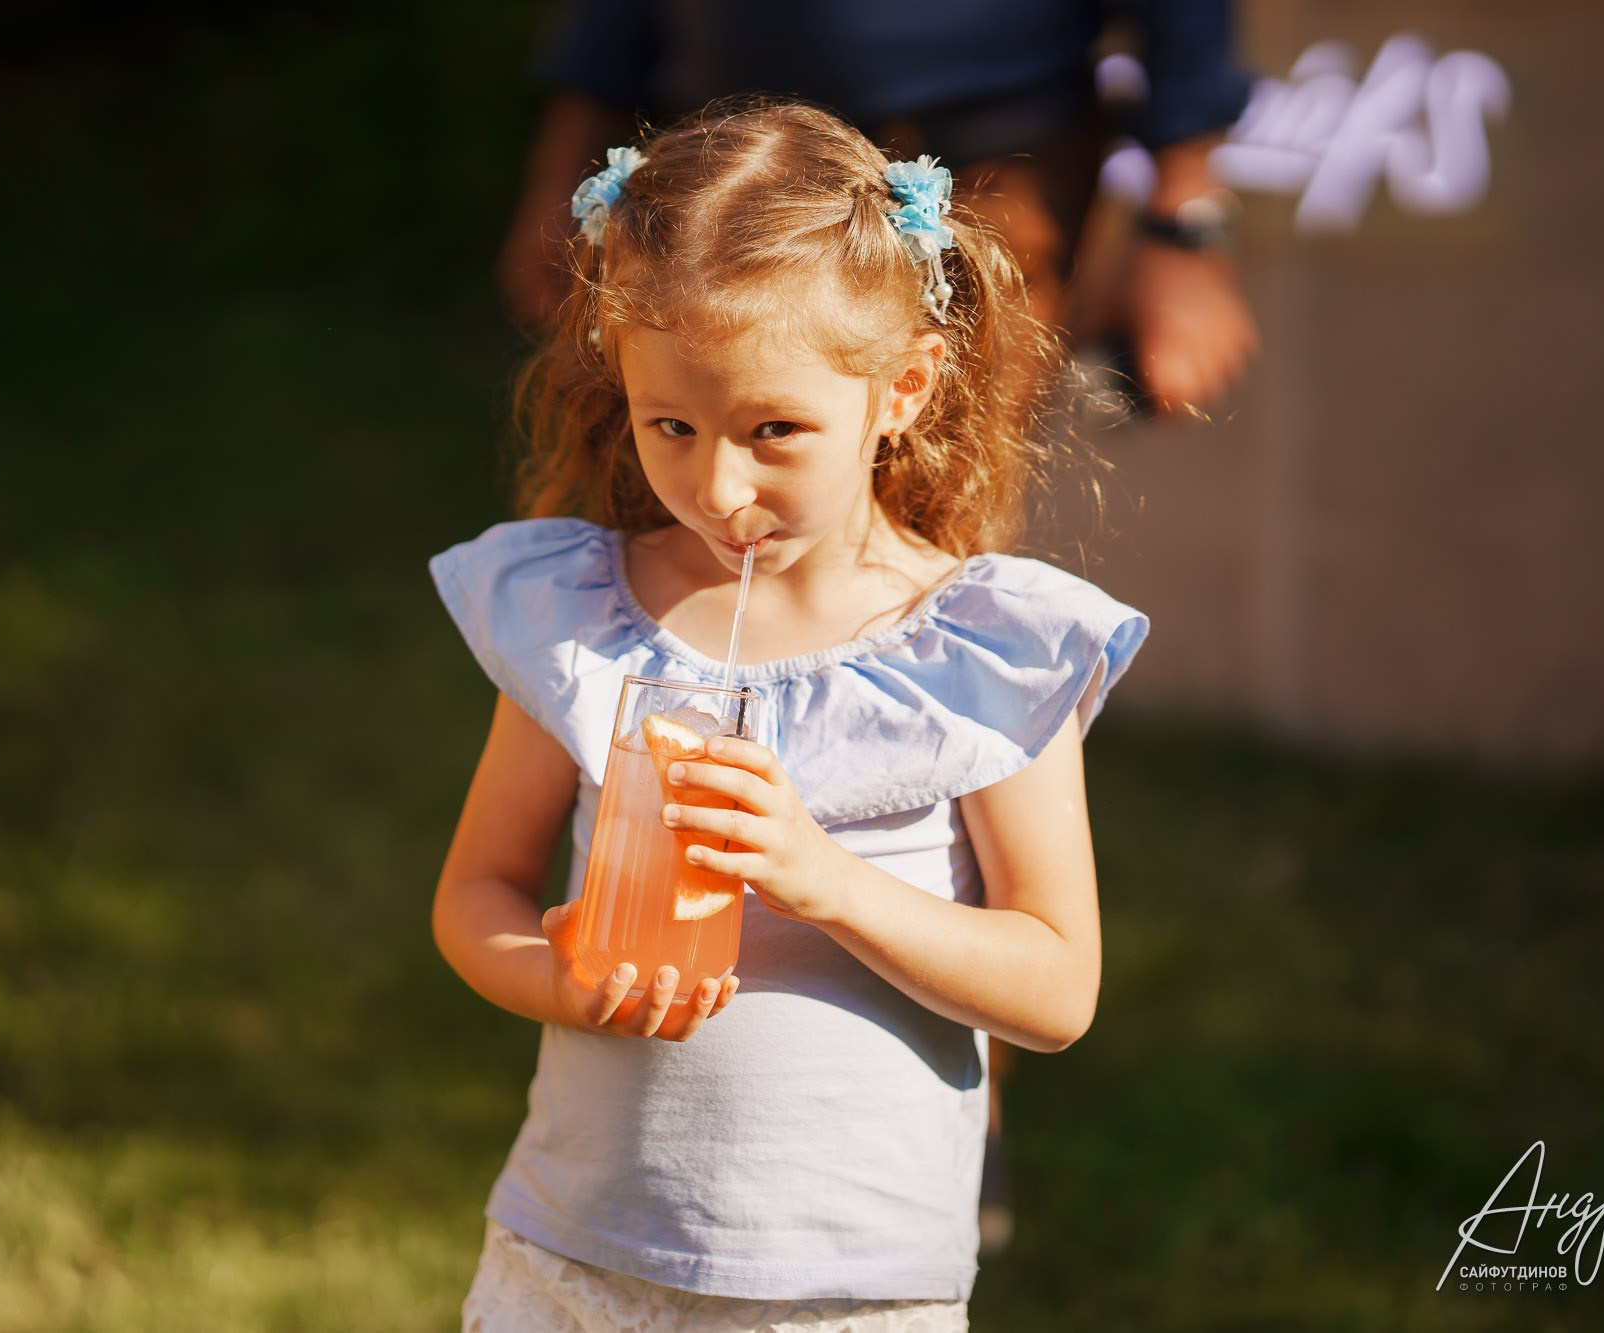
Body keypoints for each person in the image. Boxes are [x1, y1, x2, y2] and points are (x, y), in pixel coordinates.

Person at [433, 101, 1148, 1329]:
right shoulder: (586, 616)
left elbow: (1055, 985)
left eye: (774, 431)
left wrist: (821, 878)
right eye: (673, 425)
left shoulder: (977, 654)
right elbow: (475, 893)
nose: (717, 485)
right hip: (578, 1254)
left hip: (843, 1290)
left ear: (903, 388)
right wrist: (566, 979)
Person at [496, 0, 1259, 416]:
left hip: (984, 181)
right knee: (697, 473)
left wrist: (1182, 225)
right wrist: (564, 175)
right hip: (724, 179)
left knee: (937, 494)